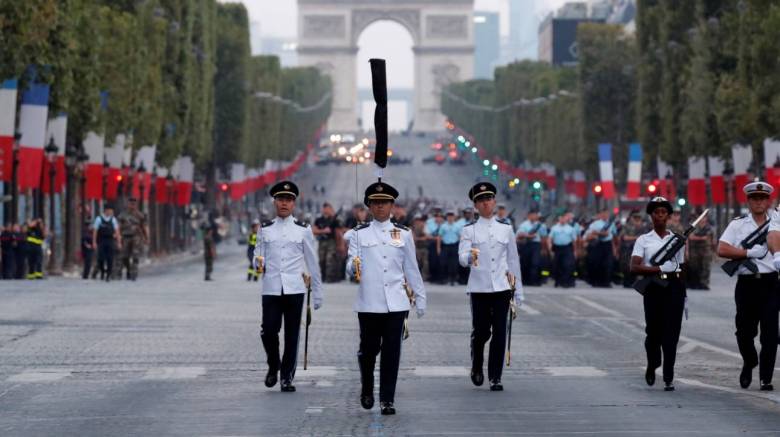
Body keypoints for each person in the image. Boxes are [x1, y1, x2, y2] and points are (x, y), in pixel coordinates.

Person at [346, 181, 426, 415]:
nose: (380, 207)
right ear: (369, 206)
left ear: (392, 205)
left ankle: (387, 399)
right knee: (368, 350)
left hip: (396, 302)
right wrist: (354, 265)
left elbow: (411, 268)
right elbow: (350, 265)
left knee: (392, 352)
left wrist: (420, 297)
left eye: (384, 203)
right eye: (376, 203)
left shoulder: (403, 234)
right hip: (369, 302)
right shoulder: (359, 234)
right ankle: (367, 387)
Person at [255, 181, 323, 393]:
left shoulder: (303, 230)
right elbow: (258, 255)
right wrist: (258, 262)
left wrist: (318, 292)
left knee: (292, 335)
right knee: (268, 331)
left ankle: (287, 377)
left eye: (288, 200)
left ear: (294, 204)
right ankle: (273, 365)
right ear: (274, 202)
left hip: (295, 288)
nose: (284, 203)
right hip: (272, 288)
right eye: (281, 199)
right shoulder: (265, 229)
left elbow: (313, 262)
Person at [458, 182, 523, 392]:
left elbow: (513, 260)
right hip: (479, 288)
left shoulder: (506, 229)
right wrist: (469, 256)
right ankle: (477, 364)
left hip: (502, 288)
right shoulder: (469, 230)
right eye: (481, 201)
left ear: (494, 202)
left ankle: (495, 376)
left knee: (500, 332)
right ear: (475, 205)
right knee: (481, 332)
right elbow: (461, 257)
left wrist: (519, 289)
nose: (486, 204)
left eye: (489, 199)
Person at [725, 182, 777, 391]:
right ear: (748, 201)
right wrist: (746, 253)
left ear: (769, 201)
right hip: (747, 285)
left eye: (762, 198)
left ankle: (766, 378)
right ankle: (749, 361)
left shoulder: (777, 222)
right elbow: (722, 248)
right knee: (744, 333)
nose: (759, 202)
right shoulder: (738, 225)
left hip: (771, 283)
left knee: (770, 334)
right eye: (754, 198)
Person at [630, 196, 686, 392]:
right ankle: (653, 364)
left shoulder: (677, 240)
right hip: (653, 290)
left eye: (664, 212)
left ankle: (669, 375)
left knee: (672, 333)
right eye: (656, 212)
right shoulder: (643, 240)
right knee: (653, 332)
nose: (660, 216)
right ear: (651, 216)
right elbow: (634, 266)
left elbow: (682, 267)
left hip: (673, 288)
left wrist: (675, 272)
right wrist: (659, 269)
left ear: (669, 216)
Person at [117, 197, 148, 281]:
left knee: (135, 255)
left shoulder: (140, 215)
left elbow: (144, 227)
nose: (132, 206)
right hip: (125, 237)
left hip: (136, 237)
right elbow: (118, 227)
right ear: (128, 204)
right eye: (131, 204)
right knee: (124, 256)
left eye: (134, 204)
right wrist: (118, 236)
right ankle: (128, 269)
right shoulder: (122, 215)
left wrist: (146, 238)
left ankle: (134, 272)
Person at [584, 208, 617, 287]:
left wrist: (615, 248)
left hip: (608, 244)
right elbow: (590, 234)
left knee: (608, 264)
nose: (606, 215)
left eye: (607, 214)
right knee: (598, 263)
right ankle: (597, 282)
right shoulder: (595, 224)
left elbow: (614, 236)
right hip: (598, 244)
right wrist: (600, 233)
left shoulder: (611, 223)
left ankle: (606, 282)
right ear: (601, 214)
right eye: (604, 214)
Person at [312, 202, 342, 283]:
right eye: (324, 208)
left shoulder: (334, 220)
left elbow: (338, 232)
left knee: (330, 259)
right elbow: (314, 231)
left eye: (328, 208)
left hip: (331, 242)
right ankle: (323, 277)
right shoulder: (318, 220)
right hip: (322, 242)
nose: (326, 210)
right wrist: (323, 231)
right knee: (322, 260)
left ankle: (330, 278)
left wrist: (340, 244)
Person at [516, 210, 547, 286]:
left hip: (536, 245)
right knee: (525, 263)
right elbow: (519, 235)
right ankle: (526, 280)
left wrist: (544, 248)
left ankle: (534, 281)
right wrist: (528, 236)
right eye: (532, 215)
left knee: (535, 263)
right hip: (526, 244)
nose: (534, 216)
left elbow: (544, 237)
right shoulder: (524, 225)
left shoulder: (541, 225)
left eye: (535, 215)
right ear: (529, 215)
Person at [548, 213, 577, 288]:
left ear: (566, 219)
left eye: (564, 218)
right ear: (559, 219)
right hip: (557, 248)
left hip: (567, 248)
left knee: (566, 265)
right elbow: (550, 239)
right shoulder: (554, 228)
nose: (562, 220)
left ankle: (565, 281)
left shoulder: (570, 229)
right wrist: (550, 248)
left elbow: (574, 241)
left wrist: (575, 251)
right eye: (561, 218)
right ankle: (557, 280)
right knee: (557, 265)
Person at [93, 206, 121, 282]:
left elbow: (117, 231)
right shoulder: (99, 219)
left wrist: (118, 242)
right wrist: (94, 242)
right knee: (101, 258)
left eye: (112, 211)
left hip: (110, 240)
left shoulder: (113, 219)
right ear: (106, 210)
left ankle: (108, 274)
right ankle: (102, 271)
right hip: (101, 240)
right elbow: (95, 231)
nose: (111, 213)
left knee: (110, 258)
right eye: (110, 211)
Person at [687, 210, 714, 290]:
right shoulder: (693, 227)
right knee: (695, 267)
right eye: (700, 217)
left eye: (704, 217)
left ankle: (704, 283)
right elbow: (691, 237)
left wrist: (697, 238)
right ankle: (695, 283)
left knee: (706, 267)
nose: (702, 219)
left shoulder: (709, 227)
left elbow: (709, 238)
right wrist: (702, 238)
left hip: (706, 250)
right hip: (694, 250)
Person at [619, 210, 646, 288]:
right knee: (627, 266)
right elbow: (624, 237)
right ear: (631, 218)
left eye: (638, 218)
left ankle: (634, 282)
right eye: (635, 218)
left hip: (639, 250)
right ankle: (627, 282)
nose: (637, 219)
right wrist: (636, 237)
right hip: (628, 249)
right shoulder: (627, 226)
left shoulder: (643, 228)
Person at [439, 211, 462, 285]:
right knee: (443, 263)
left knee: (454, 263)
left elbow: (460, 237)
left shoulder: (457, 226)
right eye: (449, 216)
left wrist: (461, 247)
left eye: (452, 216)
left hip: (454, 246)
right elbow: (439, 237)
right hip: (445, 246)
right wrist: (438, 248)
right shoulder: (443, 226)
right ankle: (445, 278)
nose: (450, 218)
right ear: (447, 217)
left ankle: (453, 279)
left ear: (454, 217)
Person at [201, 211, 218, 281]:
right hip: (208, 254)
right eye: (211, 230)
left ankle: (207, 276)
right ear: (209, 231)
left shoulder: (206, 237)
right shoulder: (208, 238)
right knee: (209, 266)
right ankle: (207, 276)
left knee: (208, 265)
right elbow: (211, 247)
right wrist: (213, 253)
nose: (212, 231)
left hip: (206, 253)